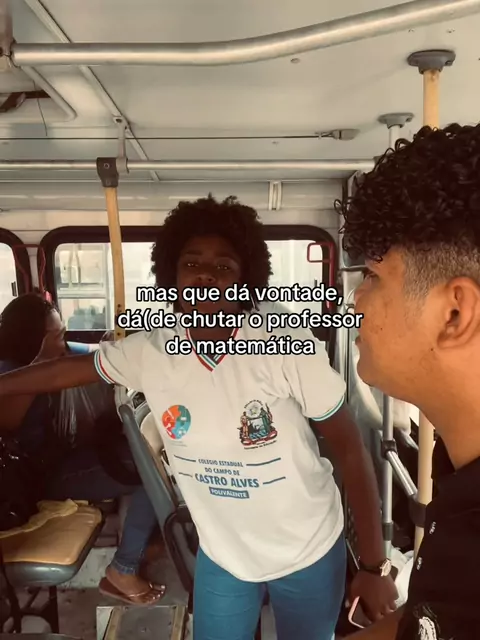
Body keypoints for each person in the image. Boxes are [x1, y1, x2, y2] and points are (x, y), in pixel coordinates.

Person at [0, 196, 397, 640]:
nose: (206, 275)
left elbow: (349, 448)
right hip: (224, 556)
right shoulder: (151, 351)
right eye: (191, 263)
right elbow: (67, 371)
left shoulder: (284, 341)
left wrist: (374, 566)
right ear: (172, 275)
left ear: (246, 279)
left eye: (224, 266)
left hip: (308, 551)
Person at [336, 123, 480, 639]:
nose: (356, 301)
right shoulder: (456, 461)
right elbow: (424, 619)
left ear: (453, 314)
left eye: (373, 277)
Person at [0, 292, 165, 605]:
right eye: (57, 336)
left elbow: (96, 355)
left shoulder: (56, 353)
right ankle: (124, 569)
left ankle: (148, 546)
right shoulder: (8, 370)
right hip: (34, 480)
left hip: (60, 459)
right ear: (32, 340)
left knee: (145, 455)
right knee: (150, 467)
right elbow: (7, 422)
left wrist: (122, 347)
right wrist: (43, 361)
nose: (63, 342)